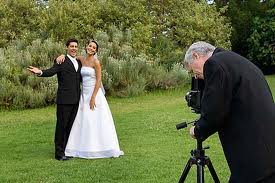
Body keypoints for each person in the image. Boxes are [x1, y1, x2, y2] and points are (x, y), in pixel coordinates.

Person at [183, 41, 275, 182]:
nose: (195, 76)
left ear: (196, 56)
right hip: (266, 146)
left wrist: (198, 130)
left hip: (253, 153)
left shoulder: (214, 64)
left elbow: (215, 111)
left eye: (192, 70)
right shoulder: (233, 60)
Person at [57, 39, 124, 159]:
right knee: (83, 120)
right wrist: (61, 55)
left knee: (95, 120)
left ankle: (98, 147)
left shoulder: (96, 62)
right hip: (83, 94)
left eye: (94, 48)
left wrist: (93, 97)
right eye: (90, 46)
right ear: (86, 47)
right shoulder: (81, 59)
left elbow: (98, 81)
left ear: (96, 51)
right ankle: (79, 146)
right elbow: (70, 58)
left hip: (94, 94)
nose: (91, 48)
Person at [27, 38, 82, 161]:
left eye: (76, 46)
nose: (74, 48)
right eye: (71, 46)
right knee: (61, 126)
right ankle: (59, 154)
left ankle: (67, 150)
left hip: (76, 100)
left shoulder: (79, 62)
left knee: (70, 126)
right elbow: (52, 71)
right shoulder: (61, 60)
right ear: (67, 48)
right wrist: (40, 72)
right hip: (64, 100)